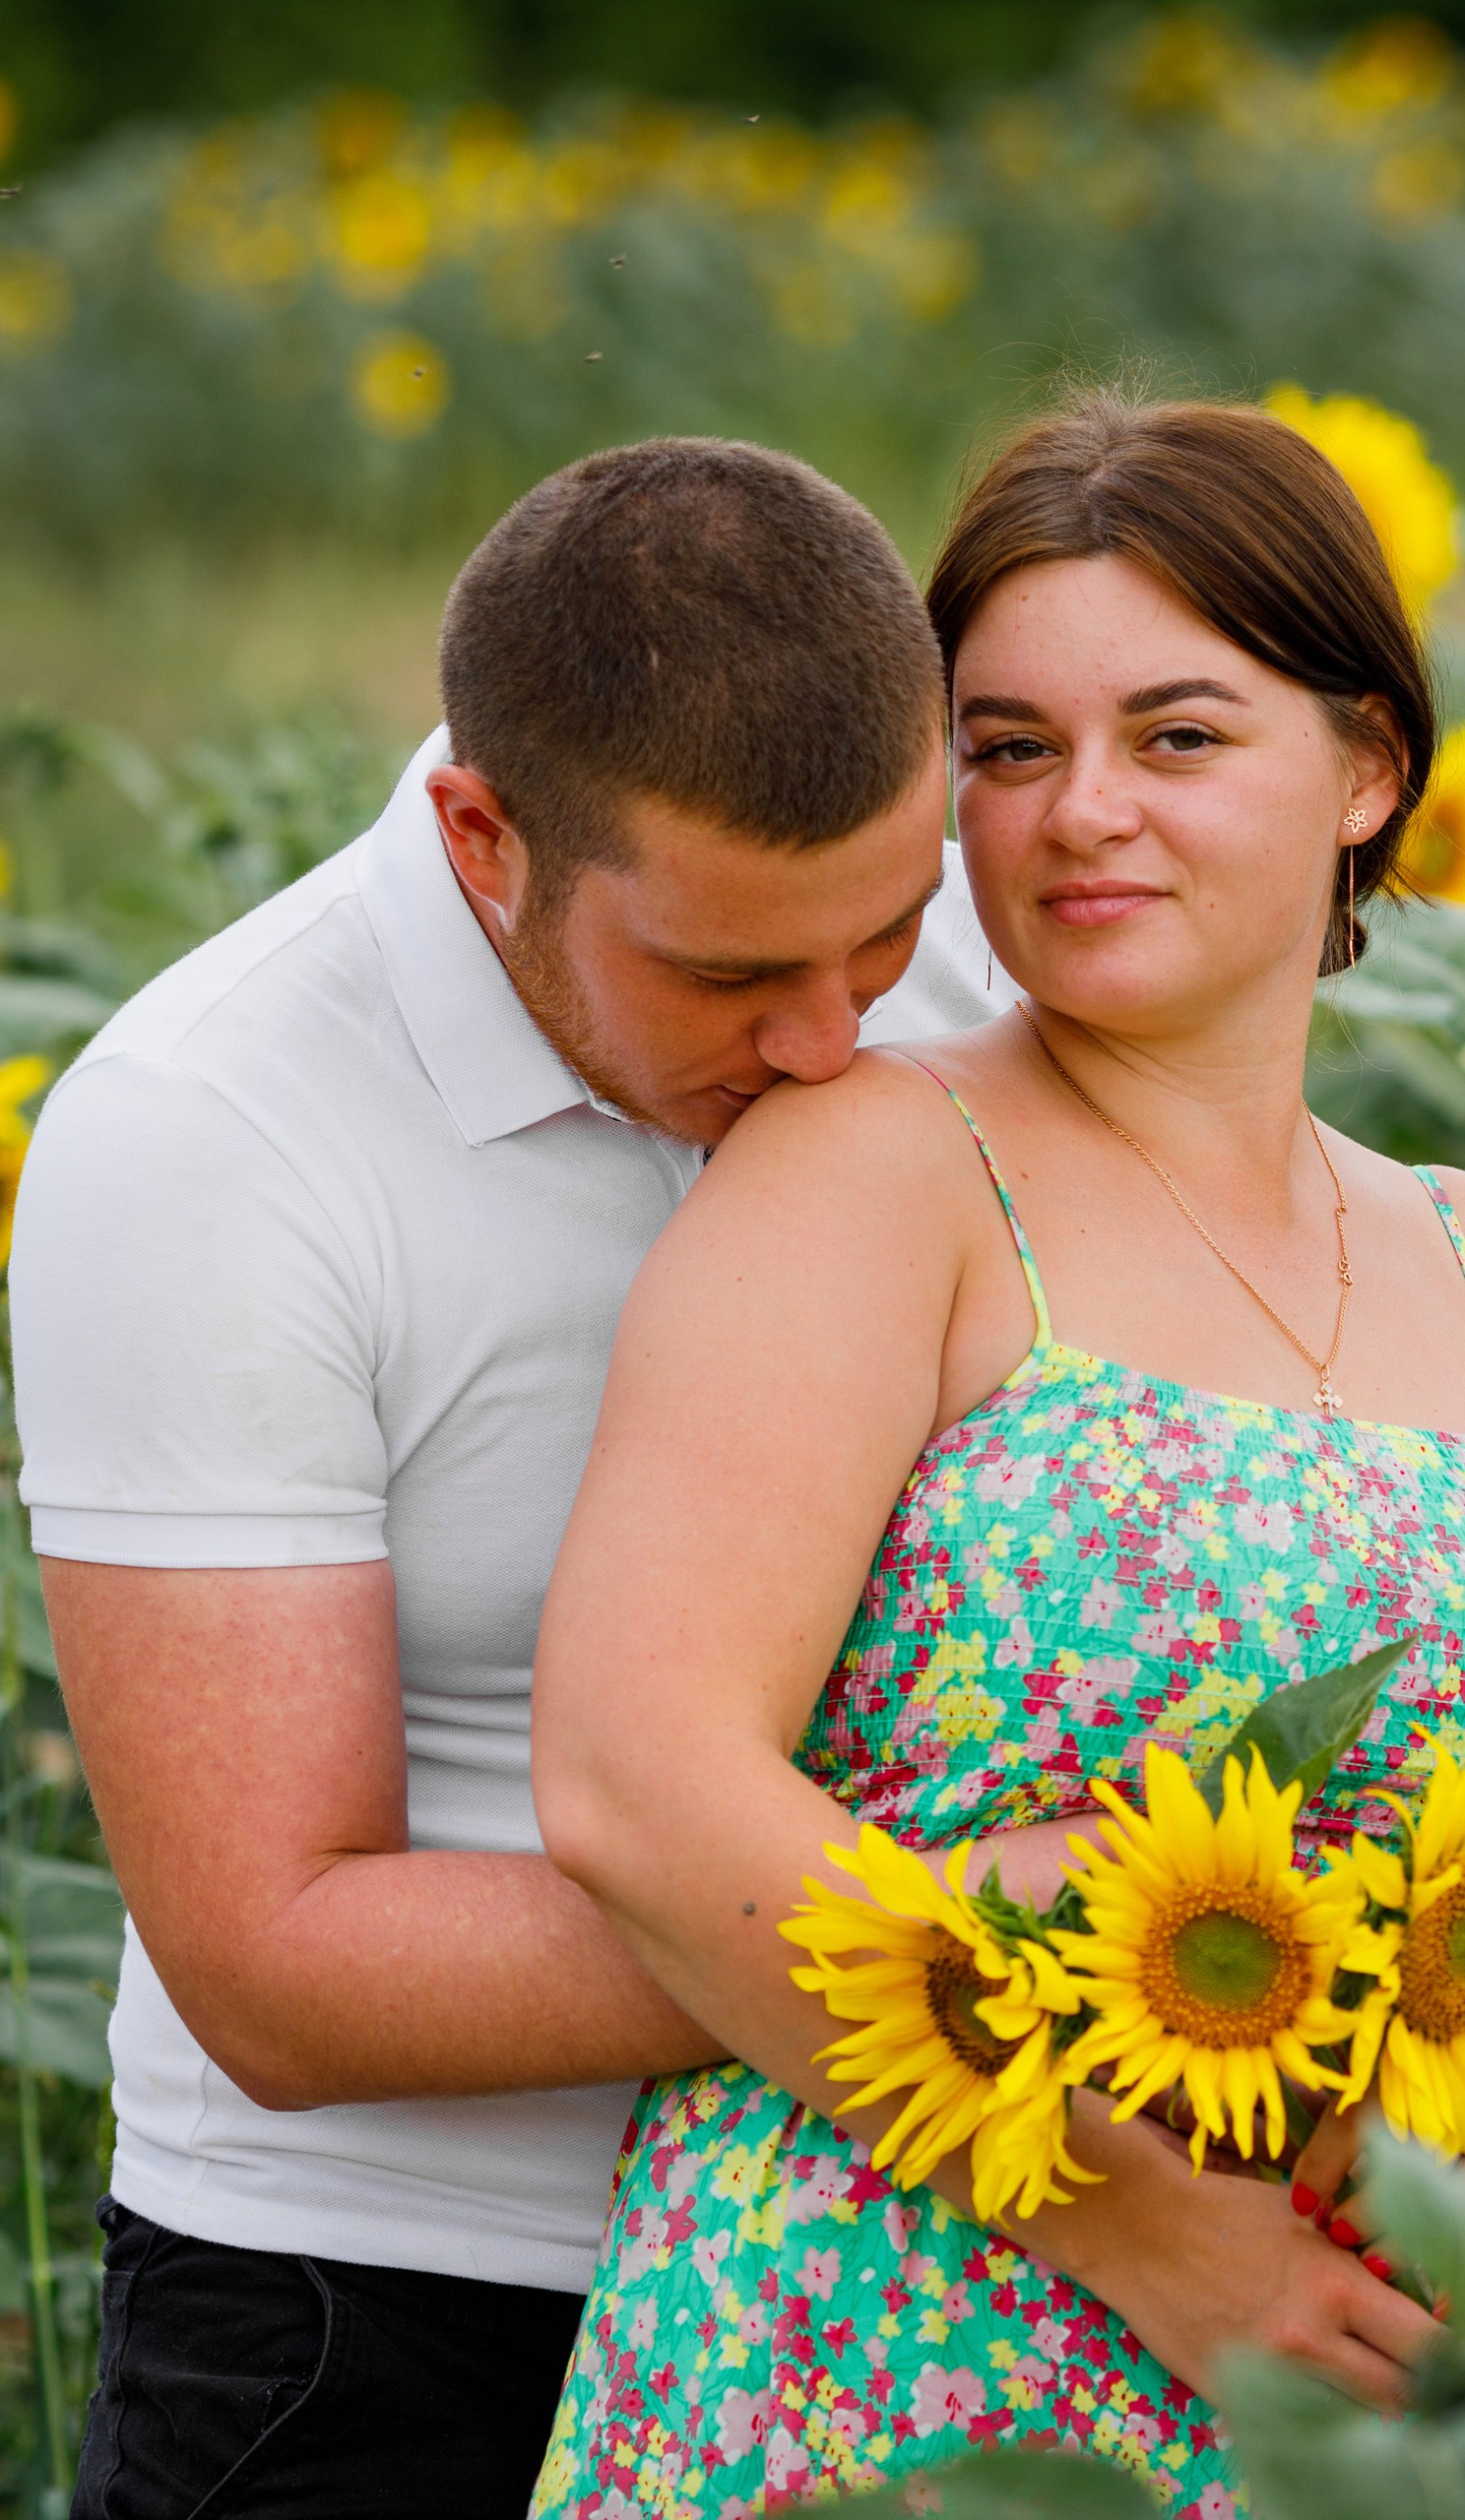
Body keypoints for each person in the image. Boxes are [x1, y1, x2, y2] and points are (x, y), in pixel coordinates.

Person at [524, 393, 1465, 2517]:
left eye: (1178, 735)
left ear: (1367, 768)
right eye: (1010, 746)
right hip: (904, 2344)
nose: (1079, 814)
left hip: (1393, 2383)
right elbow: (640, 1782)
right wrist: (1141, 2225)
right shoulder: (875, 1167)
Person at [10, 435, 1008, 2518]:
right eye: (728, 977)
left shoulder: (946, 979)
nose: (836, 1039)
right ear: (484, 835)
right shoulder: (206, 1132)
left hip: (918, 2266)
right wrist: (978, 1939)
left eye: (886, 932)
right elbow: (278, 1965)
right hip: (395, 2315)